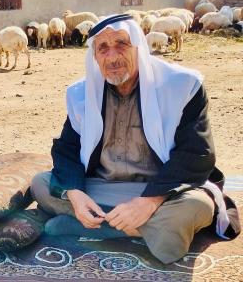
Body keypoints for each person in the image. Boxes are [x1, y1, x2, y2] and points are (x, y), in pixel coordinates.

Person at [31, 14, 240, 264]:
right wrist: (75, 195)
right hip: (104, 187)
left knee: (197, 206)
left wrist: (148, 202)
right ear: (95, 56)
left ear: (139, 47)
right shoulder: (82, 95)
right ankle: (142, 230)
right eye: (103, 48)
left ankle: (92, 226)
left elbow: (197, 153)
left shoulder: (182, 86)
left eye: (121, 44)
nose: (113, 57)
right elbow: (67, 150)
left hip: (166, 192)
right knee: (41, 185)